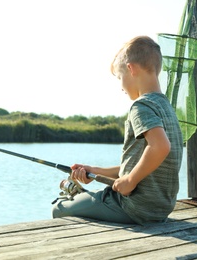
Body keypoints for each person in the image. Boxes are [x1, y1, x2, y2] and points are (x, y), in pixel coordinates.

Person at [52, 36, 183, 225]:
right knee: (90, 197)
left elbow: (160, 147)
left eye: (120, 77)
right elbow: (146, 163)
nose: (121, 86)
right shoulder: (167, 109)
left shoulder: (141, 106)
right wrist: (95, 171)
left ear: (130, 69)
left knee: (58, 207)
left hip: (133, 207)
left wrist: (129, 181)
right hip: (160, 209)